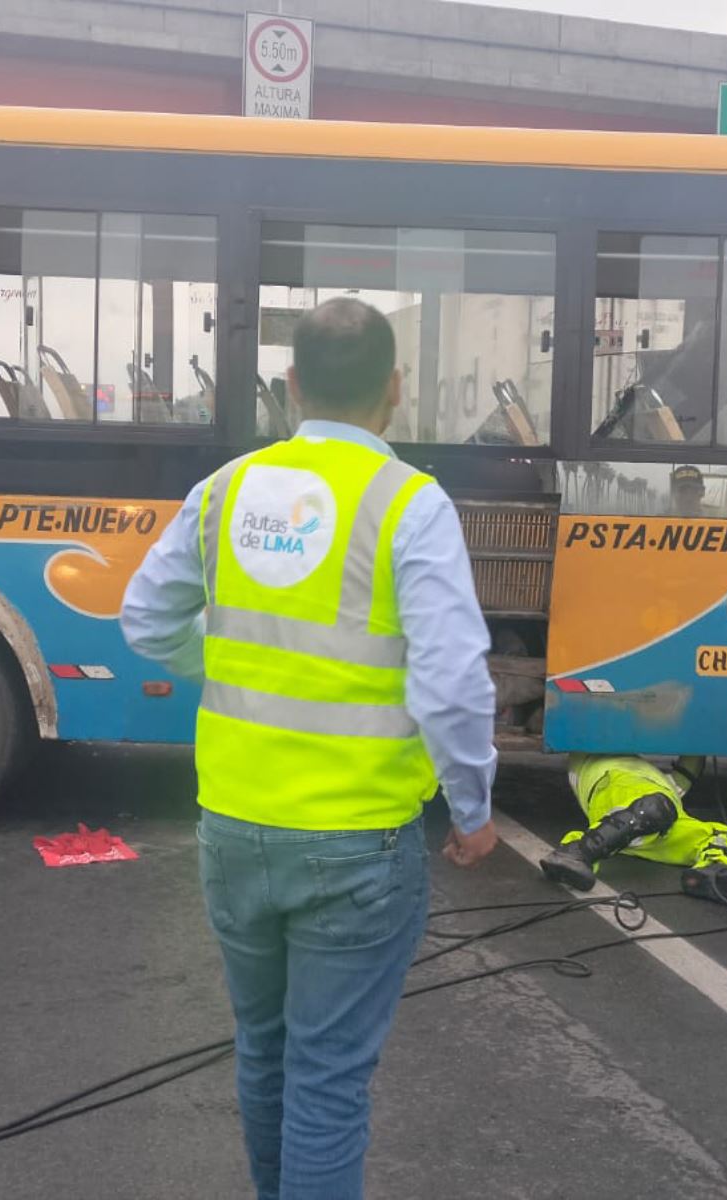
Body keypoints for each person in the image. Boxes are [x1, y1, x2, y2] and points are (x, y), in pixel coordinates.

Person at [120, 297, 499, 1200]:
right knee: (328, 1081)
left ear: (289, 387)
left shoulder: (225, 488)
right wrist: (474, 809)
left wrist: (217, 663)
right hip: (357, 843)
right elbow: (452, 681)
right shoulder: (410, 502)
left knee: (265, 1055)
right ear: (396, 390)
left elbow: (144, 620)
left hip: (233, 829)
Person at [539, 753, 727, 897]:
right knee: (657, 809)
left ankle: (712, 874)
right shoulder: (668, 788)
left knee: (723, 837)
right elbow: (690, 767)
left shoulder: (593, 756)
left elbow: (689, 770)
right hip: (621, 791)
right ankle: (579, 852)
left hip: (622, 797)